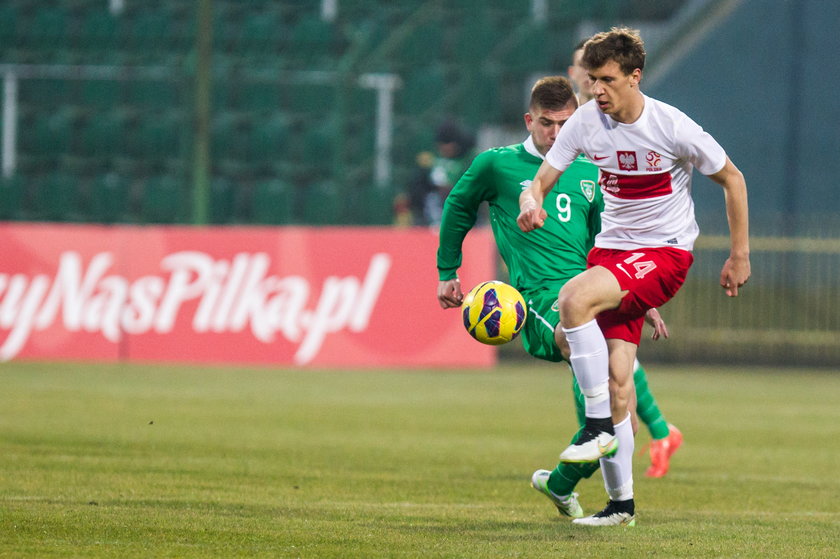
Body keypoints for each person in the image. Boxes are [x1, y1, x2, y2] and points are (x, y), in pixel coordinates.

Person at [518, 28, 750, 527]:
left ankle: (594, 427)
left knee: (574, 298)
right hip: (615, 256)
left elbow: (733, 178)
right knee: (619, 383)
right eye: (591, 79)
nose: (596, 90)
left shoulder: (671, 126)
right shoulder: (585, 122)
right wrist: (530, 200)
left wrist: (739, 255)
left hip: (663, 255)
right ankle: (621, 505)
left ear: (634, 77)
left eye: (605, 80)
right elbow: (542, 177)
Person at [436, 75, 683, 521]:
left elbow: (606, 245)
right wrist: (447, 272)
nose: (556, 133)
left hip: (592, 291)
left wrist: (640, 299)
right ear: (530, 120)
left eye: (565, 123)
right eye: (547, 123)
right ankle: (595, 436)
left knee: (619, 388)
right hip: (538, 300)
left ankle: (588, 492)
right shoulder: (497, 165)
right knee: (594, 367)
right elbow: (457, 205)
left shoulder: (591, 171)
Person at [407, 120, 475, 226]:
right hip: (434, 201)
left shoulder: (469, 159)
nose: (444, 149)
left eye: (448, 144)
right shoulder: (432, 158)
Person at [567, 39, 594, 104]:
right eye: (582, 65)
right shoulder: (561, 112)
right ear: (571, 72)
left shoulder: (619, 112)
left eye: (593, 64)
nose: (588, 72)